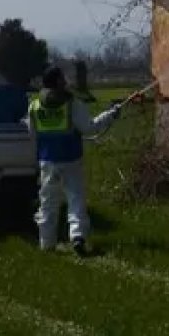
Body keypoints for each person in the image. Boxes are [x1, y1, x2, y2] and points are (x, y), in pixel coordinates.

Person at [27, 66, 135, 255]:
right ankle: (78, 237)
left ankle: (46, 244)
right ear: (58, 82)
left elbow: (32, 135)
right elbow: (89, 128)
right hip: (71, 159)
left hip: (47, 161)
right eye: (63, 78)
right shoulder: (72, 103)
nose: (66, 82)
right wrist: (111, 114)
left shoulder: (35, 106)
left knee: (48, 204)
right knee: (75, 199)